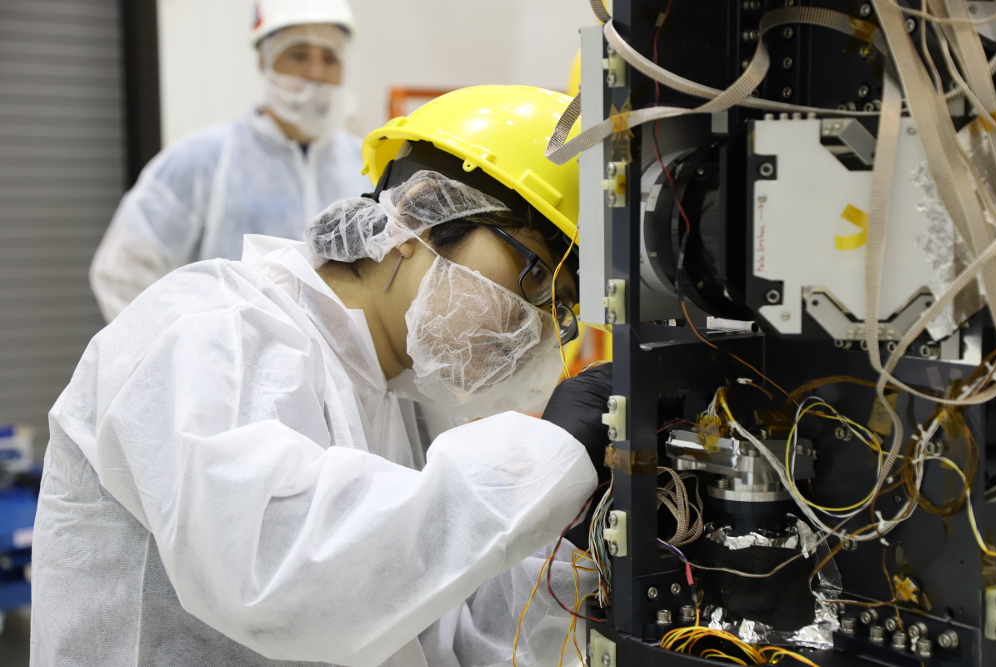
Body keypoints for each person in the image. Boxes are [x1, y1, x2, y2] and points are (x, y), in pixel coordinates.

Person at [31, 85, 614, 667]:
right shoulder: (208, 333)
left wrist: (575, 537)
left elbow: (445, 624)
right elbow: (279, 580)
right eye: (536, 275)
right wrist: (542, 455)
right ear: (422, 211)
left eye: (561, 309)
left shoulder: (411, 400)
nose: (536, 328)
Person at [89, 0, 371, 322]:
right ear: (265, 60)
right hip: (230, 369)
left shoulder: (367, 164)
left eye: (330, 58)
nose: (316, 73)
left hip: (339, 372)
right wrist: (181, 356)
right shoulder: (203, 159)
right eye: (298, 54)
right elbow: (122, 272)